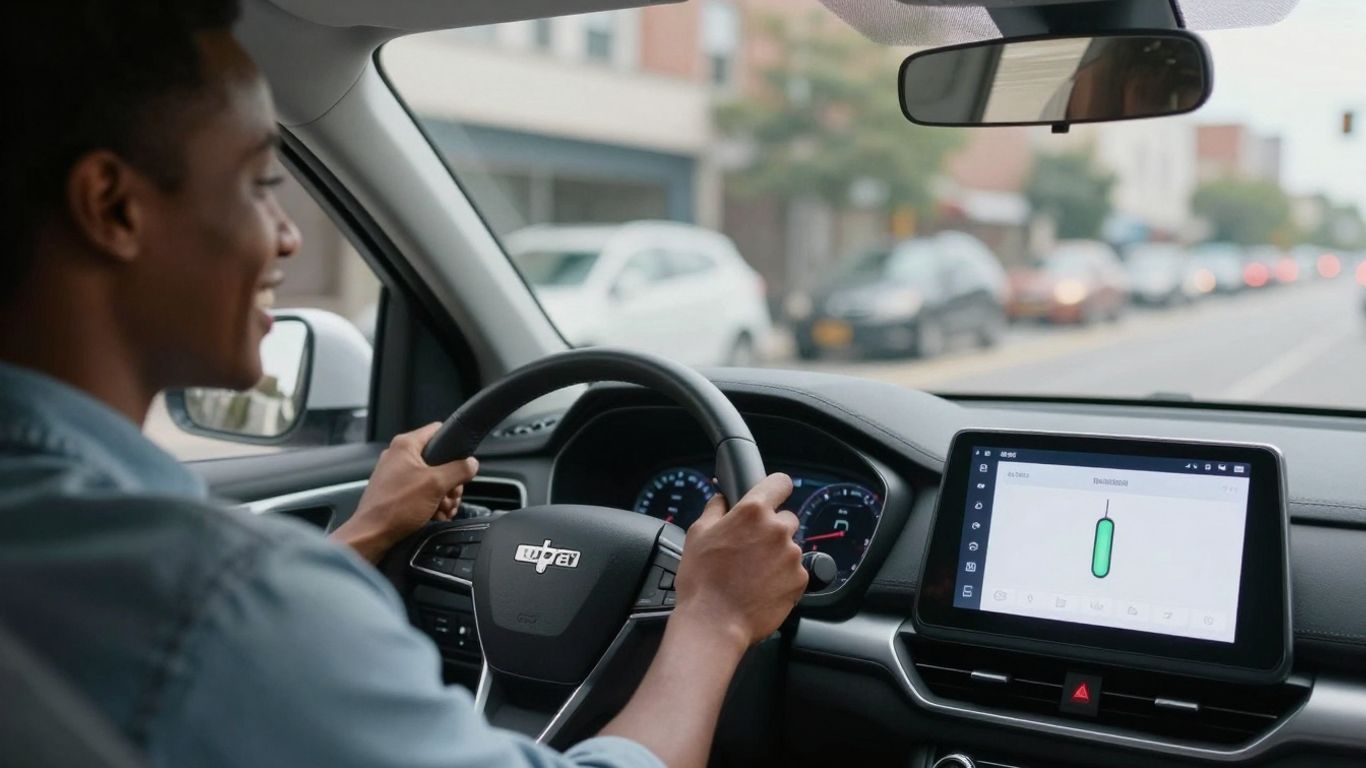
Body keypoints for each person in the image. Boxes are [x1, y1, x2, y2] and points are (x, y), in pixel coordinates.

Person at [0, 2, 809, 767]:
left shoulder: (120, 572)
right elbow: (225, 624)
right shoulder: (215, 597)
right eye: (258, 185)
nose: (285, 238)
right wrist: (712, 615)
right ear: (112, 207)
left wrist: (368, 528)